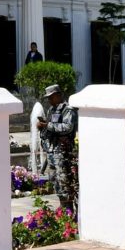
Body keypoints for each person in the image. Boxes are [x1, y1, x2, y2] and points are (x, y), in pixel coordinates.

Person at [38, 84, 78, 214]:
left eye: (51, 97)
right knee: (55, 180)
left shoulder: (68, 110)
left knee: (64, 180)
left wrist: (47, 125)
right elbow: (49, 128)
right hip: (52, 151)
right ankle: (62, 206)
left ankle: (69, 210)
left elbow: (68, 127)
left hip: (63, 152)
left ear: (58, 95)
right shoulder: (51, 110)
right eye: (48, 98)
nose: (49, 100)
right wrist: (43, 127)